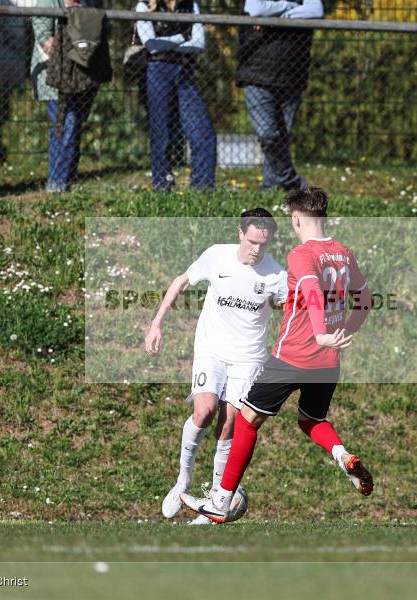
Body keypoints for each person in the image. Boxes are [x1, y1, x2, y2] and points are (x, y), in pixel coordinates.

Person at [180, 188, 374, 524]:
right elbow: (366, 299)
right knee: (310, 419)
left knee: (246, 420)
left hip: (294, 356)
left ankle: (220, 502)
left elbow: (312, 291)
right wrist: (344, 333)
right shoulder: (344, 253)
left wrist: (319, 332)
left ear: (297, 219)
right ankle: (342, 455)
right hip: (328, 363)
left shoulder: (301, 254)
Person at [145, 208, 288, 525]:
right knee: (204, 411)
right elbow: (180, 282)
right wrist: (156, 324)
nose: (256, 250)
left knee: (229, 425)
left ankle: (214, 503)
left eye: (263, 245)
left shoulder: (277, 276)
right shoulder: (216, 257)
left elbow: (293, 311)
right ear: (240, 234)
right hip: (211, 349)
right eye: (251, 241)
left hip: (248, 358)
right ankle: (182, 480)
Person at [238, 0, 324, 191]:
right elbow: (256, 8)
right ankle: (292, 181)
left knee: (281, 137)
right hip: (257, 72)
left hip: (293, 72)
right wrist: (291, 7)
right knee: (268, 135)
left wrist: (278, 15)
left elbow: (316, 10)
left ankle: (270, 188)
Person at [136, 0, 216, 190]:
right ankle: (162, 185)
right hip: (157, 71)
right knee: (161, 132)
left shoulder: (190, 5)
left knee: (203, 132)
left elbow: (199, 43)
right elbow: (152, 44)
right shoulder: (144, 6)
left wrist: (170, 44)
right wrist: (182, 37)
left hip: (185, 70)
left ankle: (202, 188)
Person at [31, 0, 99, 192]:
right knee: (66, 125)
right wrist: (76, 55)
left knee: (72, 126)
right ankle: (57, 185)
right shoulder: (48, 2)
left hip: (80, 79)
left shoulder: (85, 5)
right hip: (53, 78)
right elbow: (44, 39)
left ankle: (64, 181)